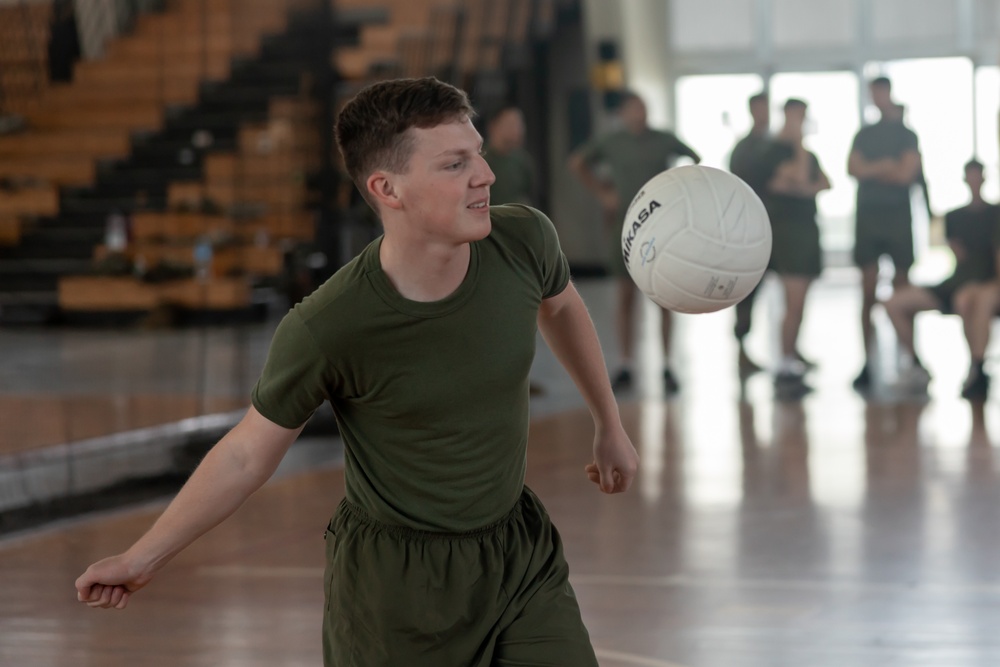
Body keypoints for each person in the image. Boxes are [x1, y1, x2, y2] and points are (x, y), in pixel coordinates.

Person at [75, 77, 639, 667]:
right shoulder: (330, 324)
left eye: (478, 154)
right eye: (455, 164)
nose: (485, 175)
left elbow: (562, 307)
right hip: (394, 590)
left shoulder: (524, 239)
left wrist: (608, 422)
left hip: (518, 553)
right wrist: (142, 557)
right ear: (386, 189)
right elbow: (245, 454)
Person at [568, 91, 700, 395]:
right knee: (625, 295)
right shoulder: (611, 142)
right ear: (623, 114)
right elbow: (577, 163)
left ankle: (667, 364)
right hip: (626, 226)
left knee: (664, 296)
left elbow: (696, 159)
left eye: (643, 108)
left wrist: (678, 191)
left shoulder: (663, 139)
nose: (639, 114)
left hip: (661, 227)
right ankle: (626, 364)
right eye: (633, 109)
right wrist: (603, 193)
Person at [882, 159, 1000, 399]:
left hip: (984, 285)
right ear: (965, 179)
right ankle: (916, 365)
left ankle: (977, 369)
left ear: (984, 178)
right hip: (955, 283)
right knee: (893, 302)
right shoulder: (954, 217)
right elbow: (958, 256)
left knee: (967, 299)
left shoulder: (996, 214)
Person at [847, 76, 923, 391]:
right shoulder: (864, 134)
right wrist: (886, 166)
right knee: (867, 292)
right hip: (868, 220)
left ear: (887, 92)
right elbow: (853, 169)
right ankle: (867, 361)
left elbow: (906, 174)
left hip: (897, 220)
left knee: (902, 292)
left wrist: (872, 169)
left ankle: (910, 359)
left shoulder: (906, 135)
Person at [758, 98, 831, 397]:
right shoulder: (772, 153)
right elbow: (802, 177)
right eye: (795, 117)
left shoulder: (808, 154)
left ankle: (792, 355)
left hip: (808, 231)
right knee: (793, 302)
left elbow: (824, 183)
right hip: (788, 235)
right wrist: (800, 149)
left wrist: (801, 188)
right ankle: (785, 366)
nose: (799, 122)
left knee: (801, 303)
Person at [483, 104, 546, 396]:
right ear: (494, 127)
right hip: (485, 249)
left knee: (519, 315)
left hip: (517, 249)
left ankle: (519, 379)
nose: (518, 130)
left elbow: (528, 196)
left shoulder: (523, 161)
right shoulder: (481, 160)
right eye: (511, 123)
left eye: (520, 124)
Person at [728, 91, 771, 376]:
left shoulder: (775, 144)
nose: (763, 113)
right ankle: (742, 350)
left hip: (778, 228)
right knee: (747, 292)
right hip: (751, 231)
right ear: (751, 111)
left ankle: (791, 351)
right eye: (759, 108)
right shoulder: (744, 149)